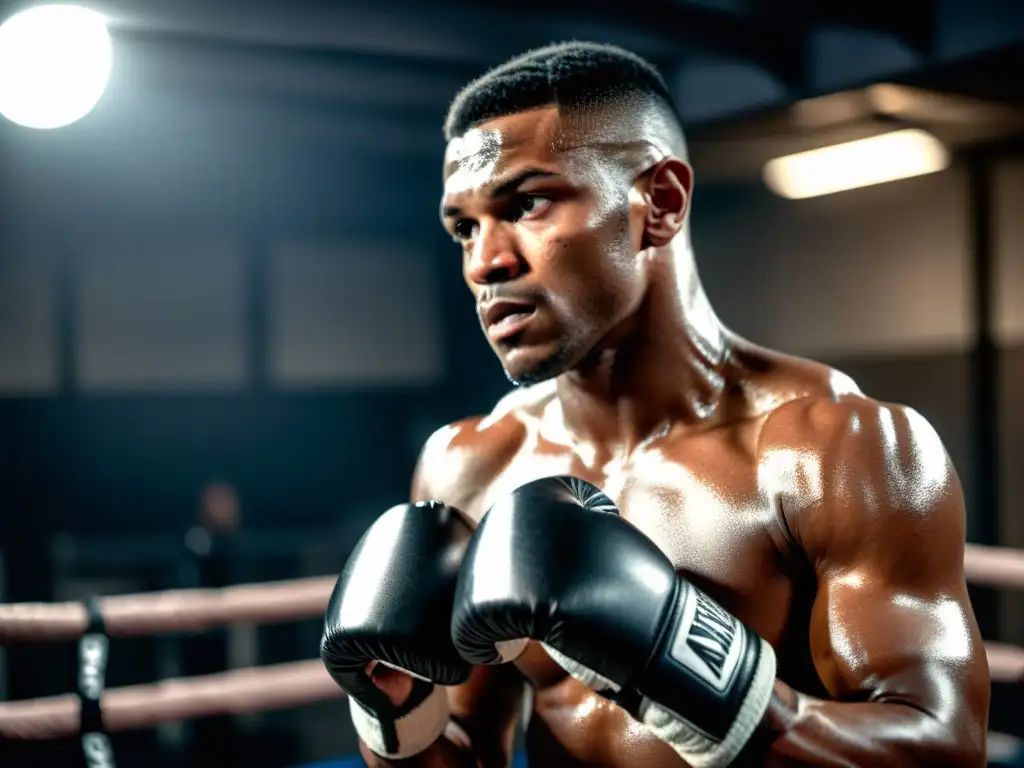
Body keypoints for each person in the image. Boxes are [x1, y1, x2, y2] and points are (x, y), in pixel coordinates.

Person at [321, 42, 990, 767]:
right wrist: (395, 718)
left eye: (528, 203)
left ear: (660, 203)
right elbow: (468, 752)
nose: (486, 262)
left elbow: (946, 747)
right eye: (465, 227)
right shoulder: (468, 465)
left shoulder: (836, 450)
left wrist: (693, 666)